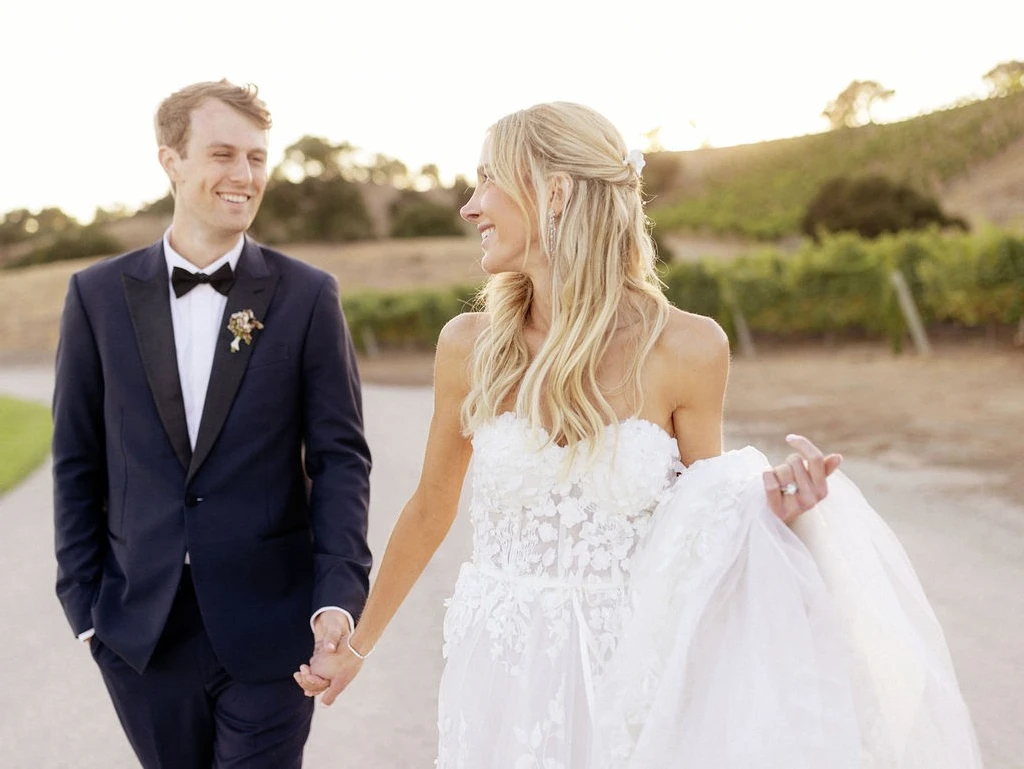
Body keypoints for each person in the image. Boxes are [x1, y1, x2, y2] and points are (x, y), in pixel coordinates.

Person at [296, 102, 982, 768]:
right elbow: (429, 506)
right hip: (499, 663)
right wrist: (357, 646)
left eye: (488, 180)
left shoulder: (689, 346)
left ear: (556, 191)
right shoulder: (469, 345)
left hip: (630, 667)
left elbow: (703, 518)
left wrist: (771, 506)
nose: (470, 207)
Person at [52, 79, 372, 768]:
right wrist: (86, 611)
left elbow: (341, 458)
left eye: (257, 158)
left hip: (273, 626)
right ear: (171, 160)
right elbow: (76, 458)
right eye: (224, 154)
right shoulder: (97, 297)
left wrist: (337, 599)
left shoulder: (309, 296)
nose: (245, 175)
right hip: (141, 632)